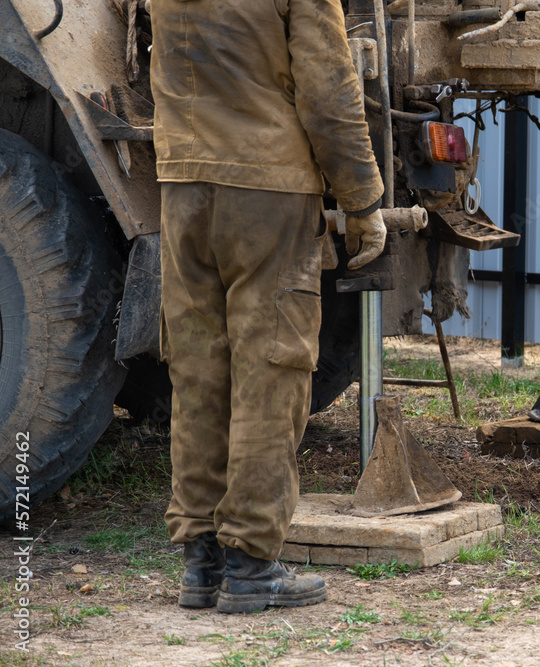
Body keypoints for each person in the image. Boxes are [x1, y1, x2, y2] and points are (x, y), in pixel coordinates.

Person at [150, 0, 386, 613]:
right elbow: (329, 90)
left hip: (182, 187)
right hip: (267, 188)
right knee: (270, 370)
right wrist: (362, 199)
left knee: (197, 369)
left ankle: (200, 561)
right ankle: (252, 564)